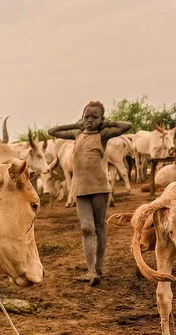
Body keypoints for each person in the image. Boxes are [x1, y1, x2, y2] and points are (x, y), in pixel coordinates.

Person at [49, 102, 131, 286]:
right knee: (87, 228)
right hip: (80, 188)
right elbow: (52, 131)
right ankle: (91, 270)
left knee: (100, 227)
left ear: (101, 119)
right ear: (82, 117)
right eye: (87, 116)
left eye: (95, 117)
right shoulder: (77, 134)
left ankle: (99, 266)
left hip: (100, 187)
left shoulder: (103, 135)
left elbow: (127, 126)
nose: (90, 120)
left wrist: (107, 123)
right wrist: (76, 125)